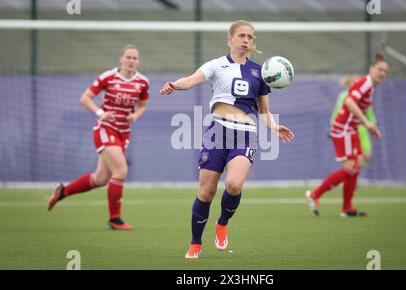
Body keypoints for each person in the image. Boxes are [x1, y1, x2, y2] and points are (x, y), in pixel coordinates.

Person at [160, 20, 295, 258]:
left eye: (250, 37)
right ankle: (195, 243)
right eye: (242, 35)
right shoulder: (216, 65)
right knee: (206, 193)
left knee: (234, 185)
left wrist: (274, 127)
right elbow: (191, 80)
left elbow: (264, 111)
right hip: (216, 132)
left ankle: (222, 223)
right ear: (230, 39)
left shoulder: (260, 73)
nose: (246, 40)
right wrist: (174, 85)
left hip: (245, 135)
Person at [47, 45, 150, 230]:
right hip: (105, 129)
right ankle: (115, 219)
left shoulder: (142, 82)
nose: (131, 61)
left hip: (123, 132)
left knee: (100, 179)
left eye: (135, 58)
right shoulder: (108, 77)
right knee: (121, 170)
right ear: (121, 58)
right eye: (128, 57)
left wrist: (135, 116)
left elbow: (142, 106)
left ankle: (63, 191)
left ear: (138, 61)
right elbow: (85, 98)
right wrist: (100, 112)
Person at [305, 53, 388, 218]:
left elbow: (358, 109)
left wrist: (370, 128)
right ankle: (314, 194)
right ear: (372, 69)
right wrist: (366, 122)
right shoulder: (366, 83)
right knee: (350, 168)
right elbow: (349, 102)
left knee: (355, 167)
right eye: (380, 69)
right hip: (344, 129)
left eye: (386, 71)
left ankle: (347, 208)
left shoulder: (369, 86)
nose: (383, 73)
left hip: (351, 129)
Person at [331, 75, 378, 165]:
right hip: (347, 132)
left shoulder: (365, 97)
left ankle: (352, 176)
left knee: (363, 159)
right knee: (350, 165)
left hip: (361, 132)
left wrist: (369, 125)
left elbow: (371, 119)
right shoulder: (343, 96)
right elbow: (337, 117)